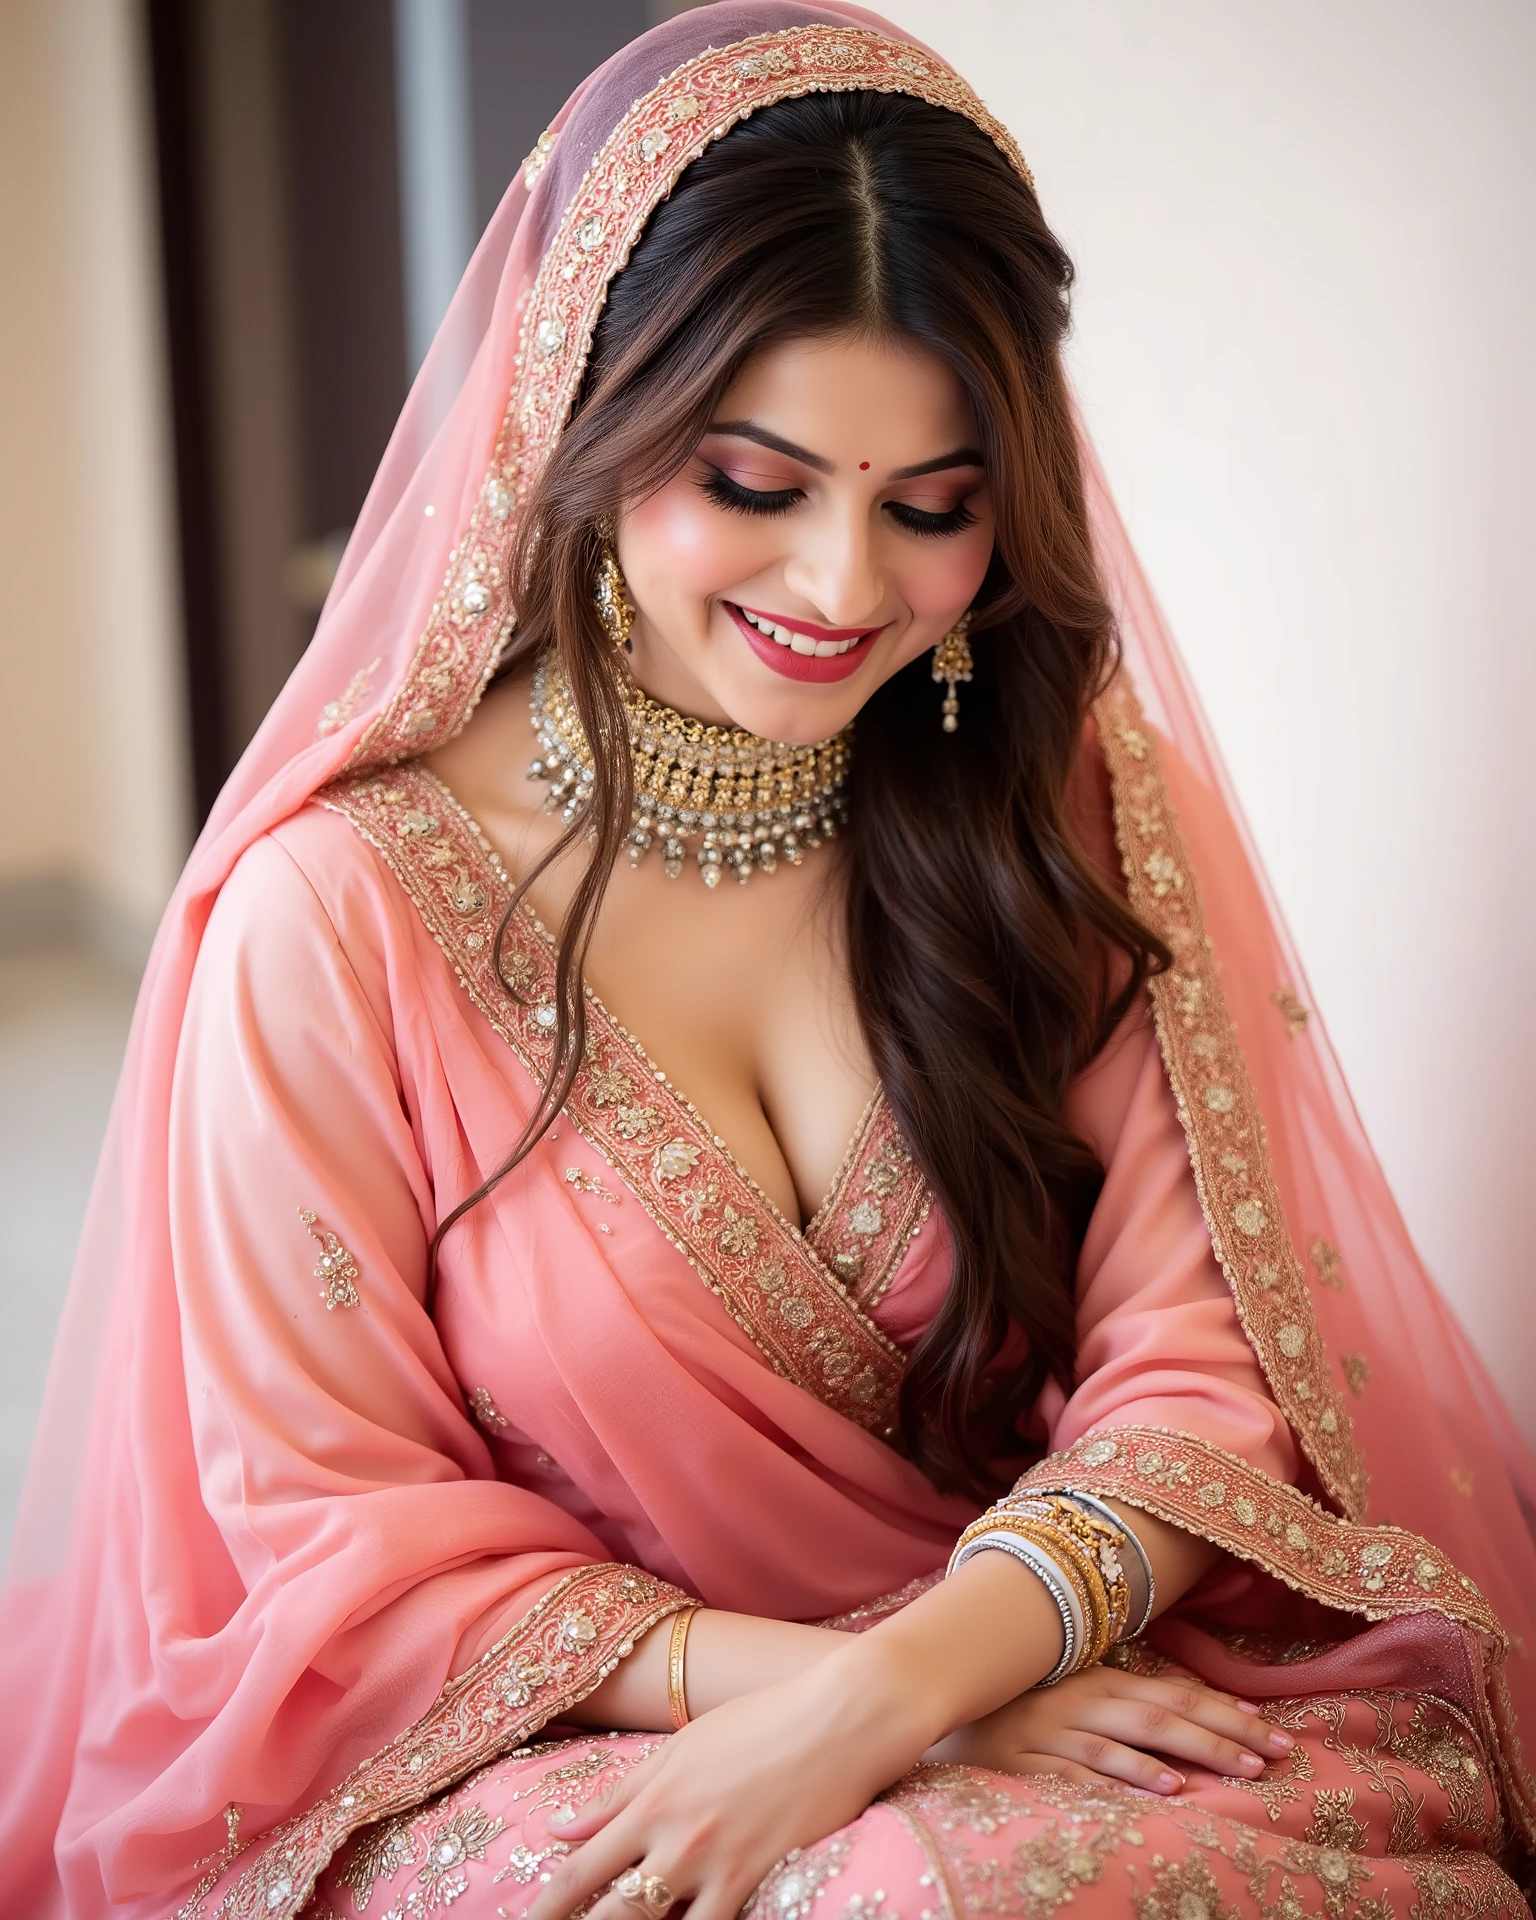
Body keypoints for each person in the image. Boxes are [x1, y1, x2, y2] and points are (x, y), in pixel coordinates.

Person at [3, 7, 1534, 1917]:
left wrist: (923, 1676)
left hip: (1036, 1647)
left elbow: (1201, 1359)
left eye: (932, 508)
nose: (840, 589)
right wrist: (848, 1708)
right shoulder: (338, 916)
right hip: (547, 1734)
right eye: (755, 483)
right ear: (585, 410)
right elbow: (334, 1551)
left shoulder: (1036, 804)